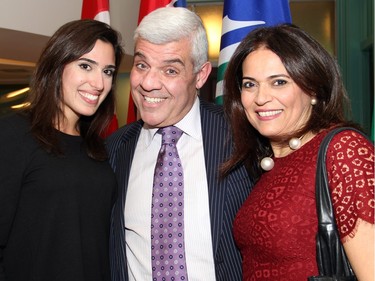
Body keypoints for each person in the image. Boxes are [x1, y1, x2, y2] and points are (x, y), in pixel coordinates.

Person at [106, 7, 253, 281]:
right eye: (141, 65)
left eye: (170, 70)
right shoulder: (114, 149)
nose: (149, 83)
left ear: (200, 75)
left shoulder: (243, 137)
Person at [221, 23, 375, 281]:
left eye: (279, 82)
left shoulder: (344, 150)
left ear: (312, 86)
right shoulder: (268, 163)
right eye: (250, 84)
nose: (261, 98)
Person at [0, 19, 124, 281]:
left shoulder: (99, 148)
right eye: (85, 66)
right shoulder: (13, 135)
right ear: (57, 66)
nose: (99, 83)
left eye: (108, 71)